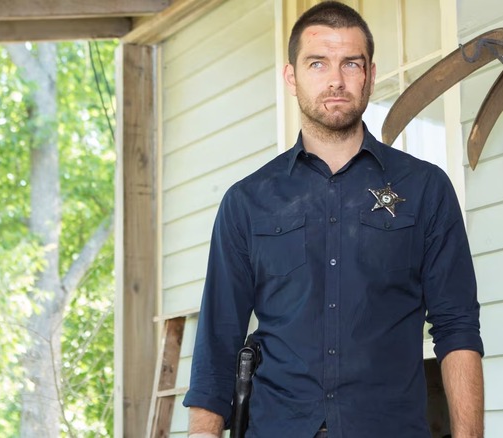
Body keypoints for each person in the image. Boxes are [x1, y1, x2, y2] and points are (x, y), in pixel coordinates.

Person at [183, 2, 484, 437]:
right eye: (318, 63)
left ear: (370, 75)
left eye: (351, 64)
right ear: (292, 77)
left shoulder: (425, 189)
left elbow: (457, 328)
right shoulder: (247, 203)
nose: (336, 80)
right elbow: (217, 339)